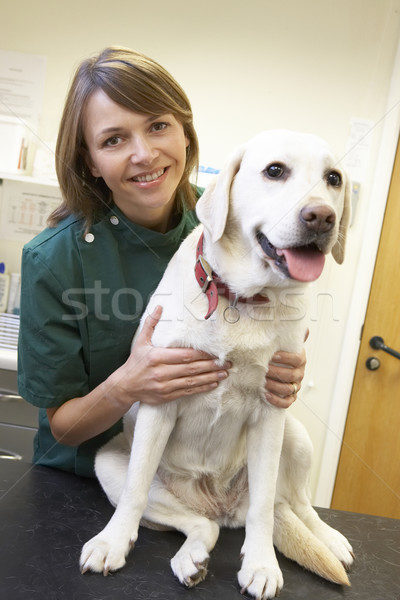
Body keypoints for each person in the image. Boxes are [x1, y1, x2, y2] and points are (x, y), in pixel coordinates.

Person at [18, 47, 306, 478]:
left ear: (185, 134)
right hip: (81, 480)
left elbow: (268, 322)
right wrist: (126, 385)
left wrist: (281, 368)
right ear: (90, 162)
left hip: (185, 478)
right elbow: (64, 428)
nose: (145, 154)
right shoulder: (55, 259)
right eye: (114, 140)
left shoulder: (228, 222)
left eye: (158, 126)